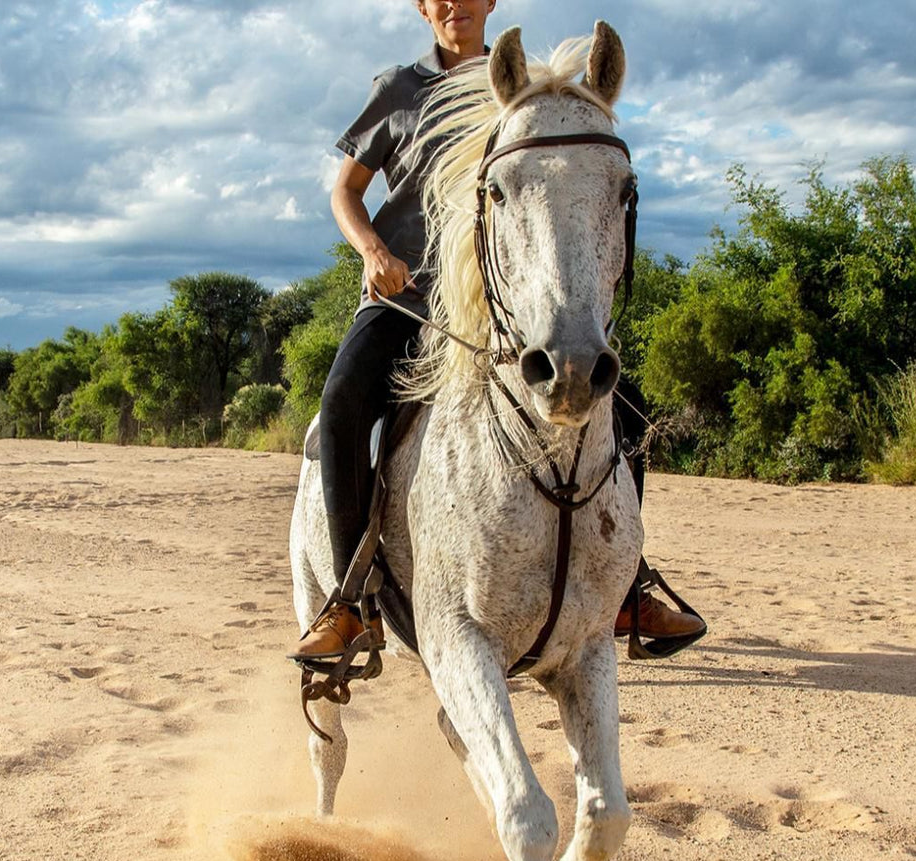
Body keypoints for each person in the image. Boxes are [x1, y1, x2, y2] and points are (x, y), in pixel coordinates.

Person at [291, 0, 704, 661]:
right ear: (423, 9)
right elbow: (345, 189)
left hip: (499, 303)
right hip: (410, 295)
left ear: (489, 5)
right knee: (342, 401)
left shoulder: (523, 90)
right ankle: (346, 601)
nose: (455, 4)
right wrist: (372, 252)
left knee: (625, 408)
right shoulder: (399, 89)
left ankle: (626, 582)